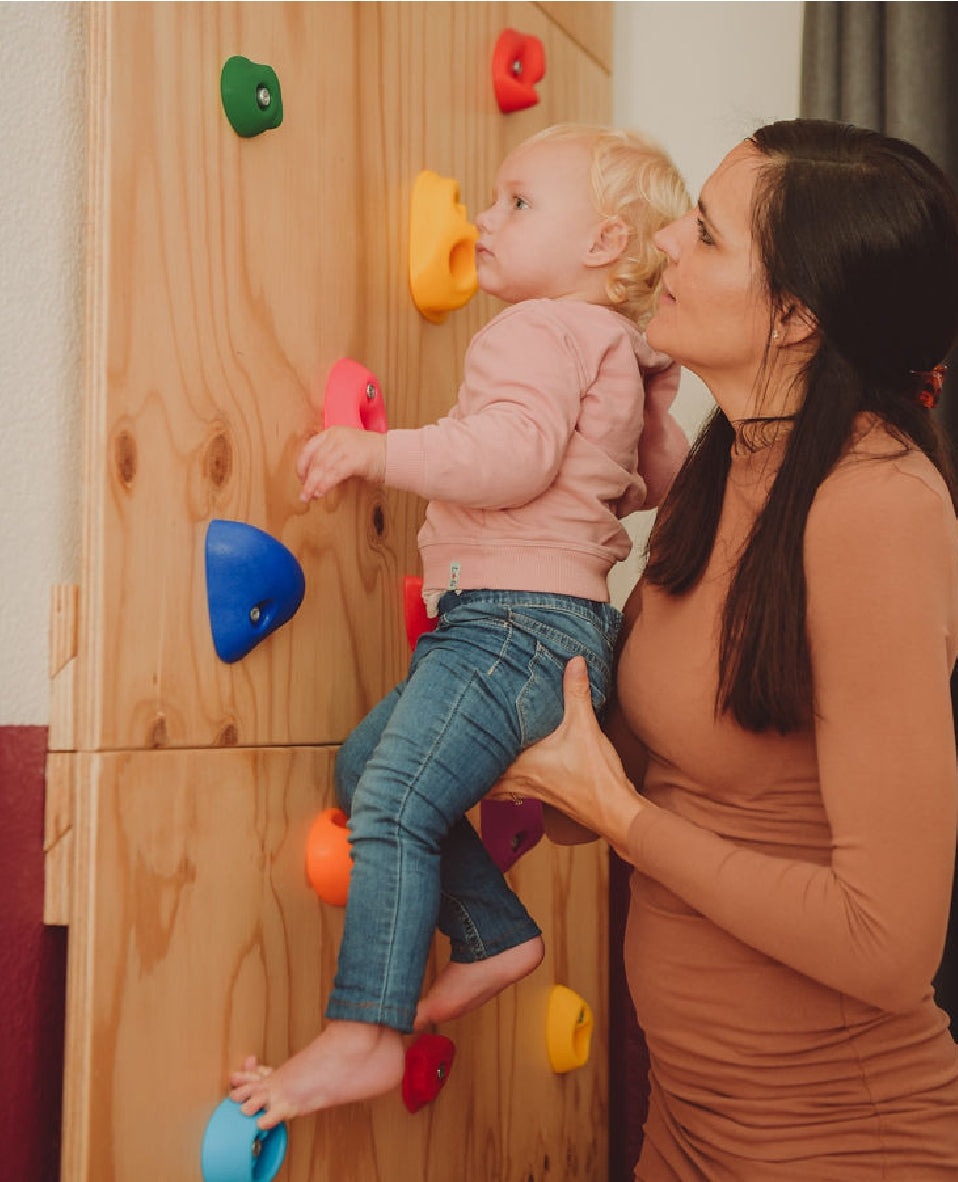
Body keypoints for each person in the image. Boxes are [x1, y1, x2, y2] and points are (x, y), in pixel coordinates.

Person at [491, 119, 958, 1179]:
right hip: (691, 1129)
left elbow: (889, 947)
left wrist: (619, 816)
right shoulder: (723, 465)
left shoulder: (874, 510)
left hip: (838, 1148)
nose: (665, 243)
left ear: (795, 317)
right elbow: (634, 768)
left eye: (706, 234)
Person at [229, 123, 691, 1128]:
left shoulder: (532, 332)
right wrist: (650, 399)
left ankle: (365, 1034)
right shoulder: (614, 345)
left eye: (519, 203)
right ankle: (493, 936)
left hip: (508, 624)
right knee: (365, 770)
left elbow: (514, 455)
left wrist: (375, 451)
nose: (485, 219)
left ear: (604, 244)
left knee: (389, 800)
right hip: (552, 631)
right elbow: (663, 483)